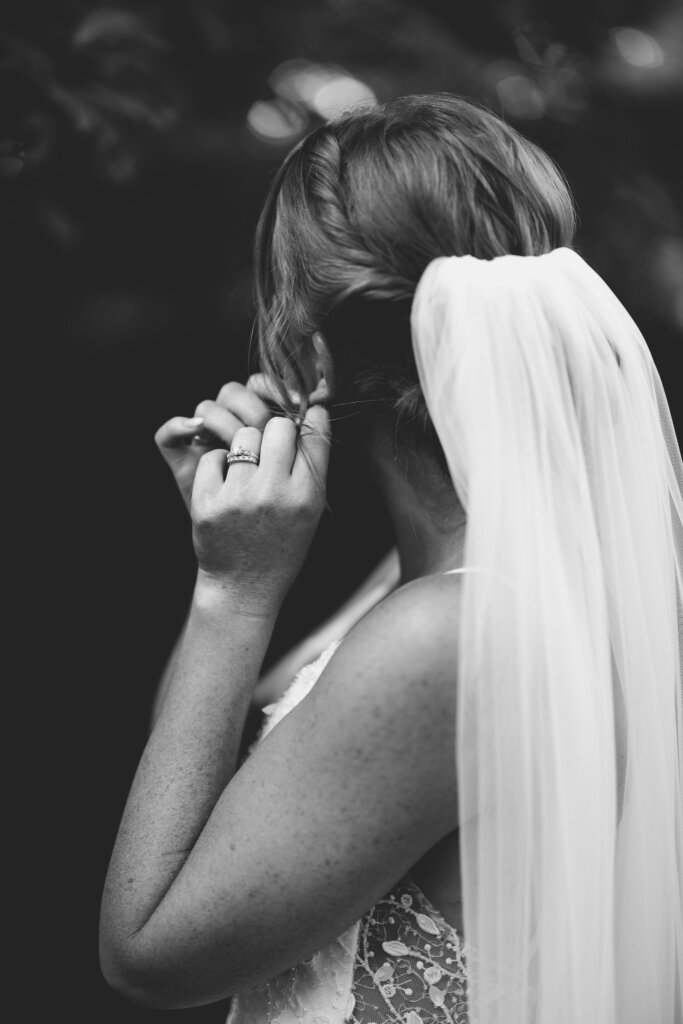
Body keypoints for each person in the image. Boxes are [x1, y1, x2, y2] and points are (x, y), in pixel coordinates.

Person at [99, 94, 683, 1023]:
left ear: (302, 350)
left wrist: (231, 590)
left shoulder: (445, 634)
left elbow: (150, 954)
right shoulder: (518, 583)